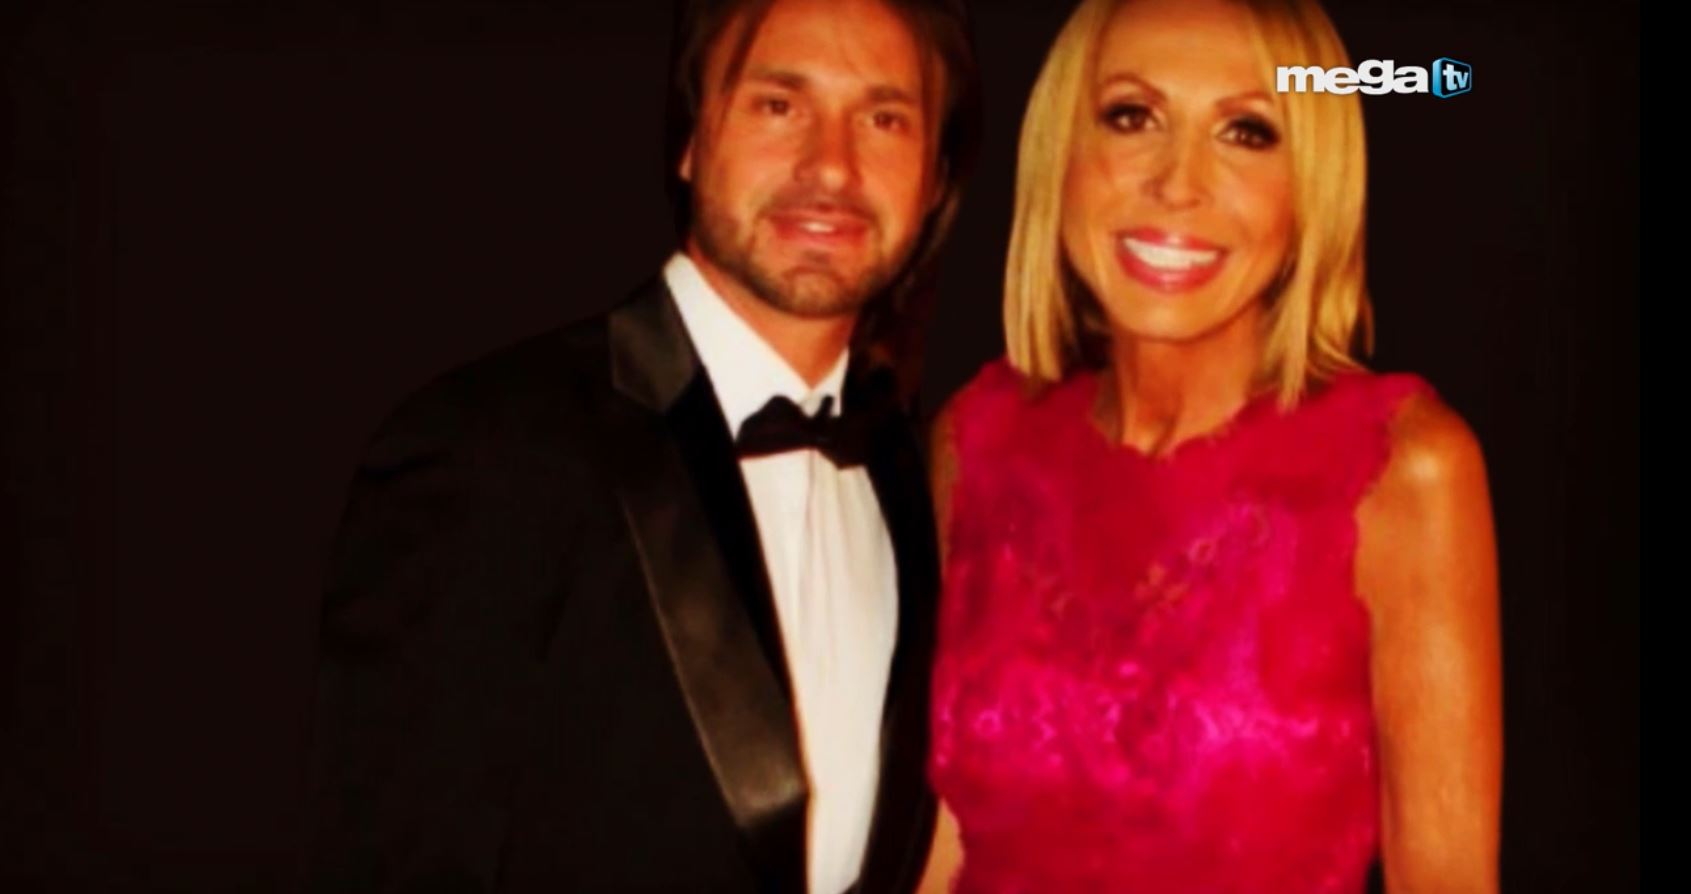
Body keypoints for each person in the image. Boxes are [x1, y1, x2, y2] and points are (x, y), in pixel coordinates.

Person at [308, 0, 980, 890]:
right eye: (779, 105)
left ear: (933, 180)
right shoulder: (486, 447)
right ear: (690, 139)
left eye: (884, 119)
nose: (831, 165)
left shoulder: (911, 469)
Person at [917, 0, 1501, 891]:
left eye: (1246, 131)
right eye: (1131, 117)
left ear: (1311, 187)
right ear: (1060, 154)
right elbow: (938, 845)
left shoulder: (1399, 469)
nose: (1177, 183)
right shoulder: (978, 443)